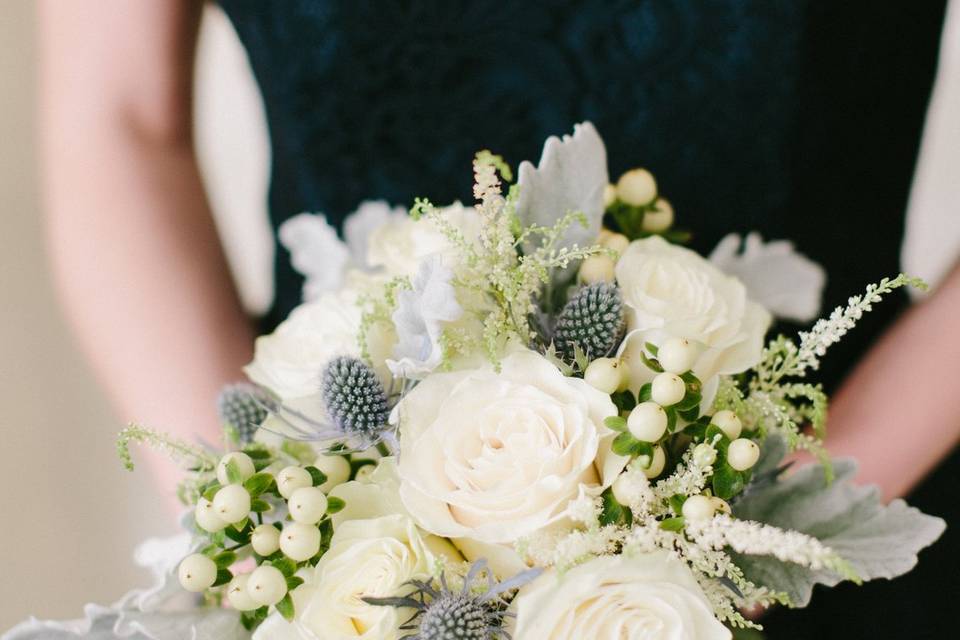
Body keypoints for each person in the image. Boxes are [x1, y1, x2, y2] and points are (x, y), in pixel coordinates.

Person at [38, 0, 957, 636]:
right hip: (347, 540)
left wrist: (771, 523)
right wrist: (273, 538)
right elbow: (120, 118)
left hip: (835, 486)